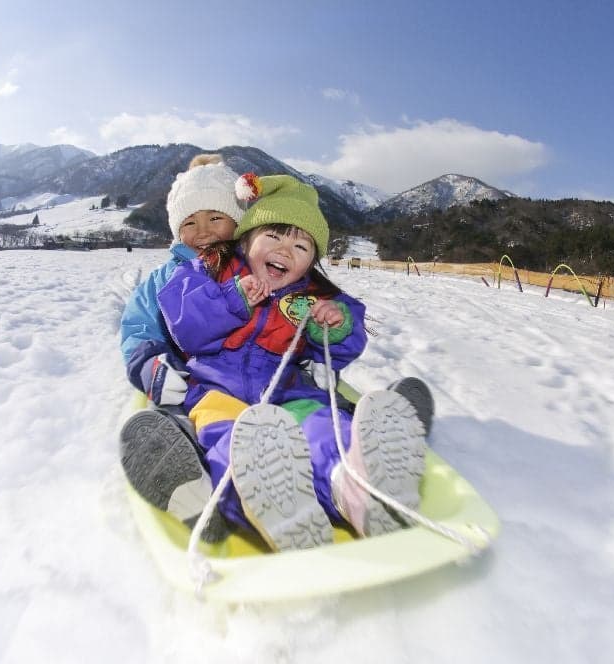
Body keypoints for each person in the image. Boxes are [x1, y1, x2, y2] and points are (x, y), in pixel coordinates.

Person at [157, 174, 427, 551]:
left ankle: (355, 487)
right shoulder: (209, 271)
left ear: (310, 263)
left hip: (286, 388)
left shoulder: (309, 296)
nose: (286, 250)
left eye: (301, 246)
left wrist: (334, 323)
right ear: (246, 239)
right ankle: (263, 501)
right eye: (274, 236)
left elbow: (345, 345)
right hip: (216, 387)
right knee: (232, 441)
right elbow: (185, 324)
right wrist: (233, 299)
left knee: (320, 429)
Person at [119, 153, 245, 541]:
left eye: (215, 218)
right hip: (192, 378)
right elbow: (139, 326)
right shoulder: (163, 279)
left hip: (259, 371)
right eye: (190, 222)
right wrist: (150, 366)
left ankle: (354, 443)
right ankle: (190, 485)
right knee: (193, 417)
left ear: (237, 221)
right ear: (177, 231)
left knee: (302, 406)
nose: (203, 231)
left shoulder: (256, 267)